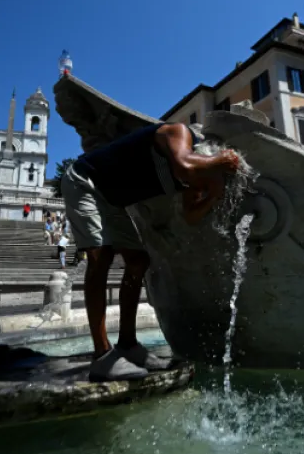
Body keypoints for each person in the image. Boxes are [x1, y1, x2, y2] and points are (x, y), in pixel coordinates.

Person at [61, 122, 240, 381]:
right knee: (101, 257)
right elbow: (185, 164)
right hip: (84, 181)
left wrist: (214, 194)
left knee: (138, 260)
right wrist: (222, 159)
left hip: (111, 199)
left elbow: (190, 214)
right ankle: (102, 356)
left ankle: (128, 345)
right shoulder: (177, 132)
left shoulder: (203, 173)